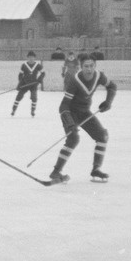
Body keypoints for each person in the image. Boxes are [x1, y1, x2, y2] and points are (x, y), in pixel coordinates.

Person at [49, 53, 116, 184]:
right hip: (70, 112)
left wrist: (108, 102)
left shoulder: (99, 76)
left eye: (91, 66)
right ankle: (56, 171)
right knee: (73, 138)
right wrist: (69, 123)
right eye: (86, 66)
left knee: (102, 136)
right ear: (81, 67)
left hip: (84, 112)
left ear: (95, 66)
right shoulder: (75, 81)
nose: (89, 69)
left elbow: (112, 86)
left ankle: (96, 169)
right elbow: (63, 105)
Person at [11, 51, 45, 117]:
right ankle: (13, 110)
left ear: (34, 58)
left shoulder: (38, 65)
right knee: (19, 97)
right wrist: (20, 83)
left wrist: (39, 79)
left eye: (32, 57)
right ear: (27, 58)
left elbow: (43, 73)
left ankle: (33, 111)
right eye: (29, 57)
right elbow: (20, 75)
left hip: (33, 84)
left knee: (34, 97)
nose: (31, 59)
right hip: (25, 84)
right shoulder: (24, 65)